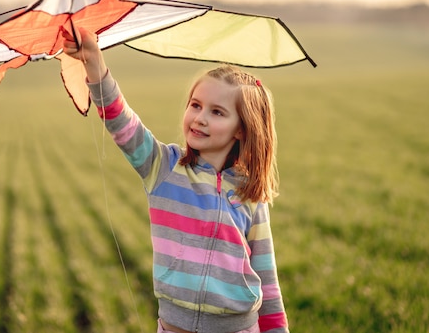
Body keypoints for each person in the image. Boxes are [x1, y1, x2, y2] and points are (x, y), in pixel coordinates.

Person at [64, 28, 289, 333]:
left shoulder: (251, 195)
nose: (200, 118)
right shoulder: (163, 167)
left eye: (217, 112)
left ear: (241, 129)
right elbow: (121, 121)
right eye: (195, 105)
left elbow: (268, 280)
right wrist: (94, 64)